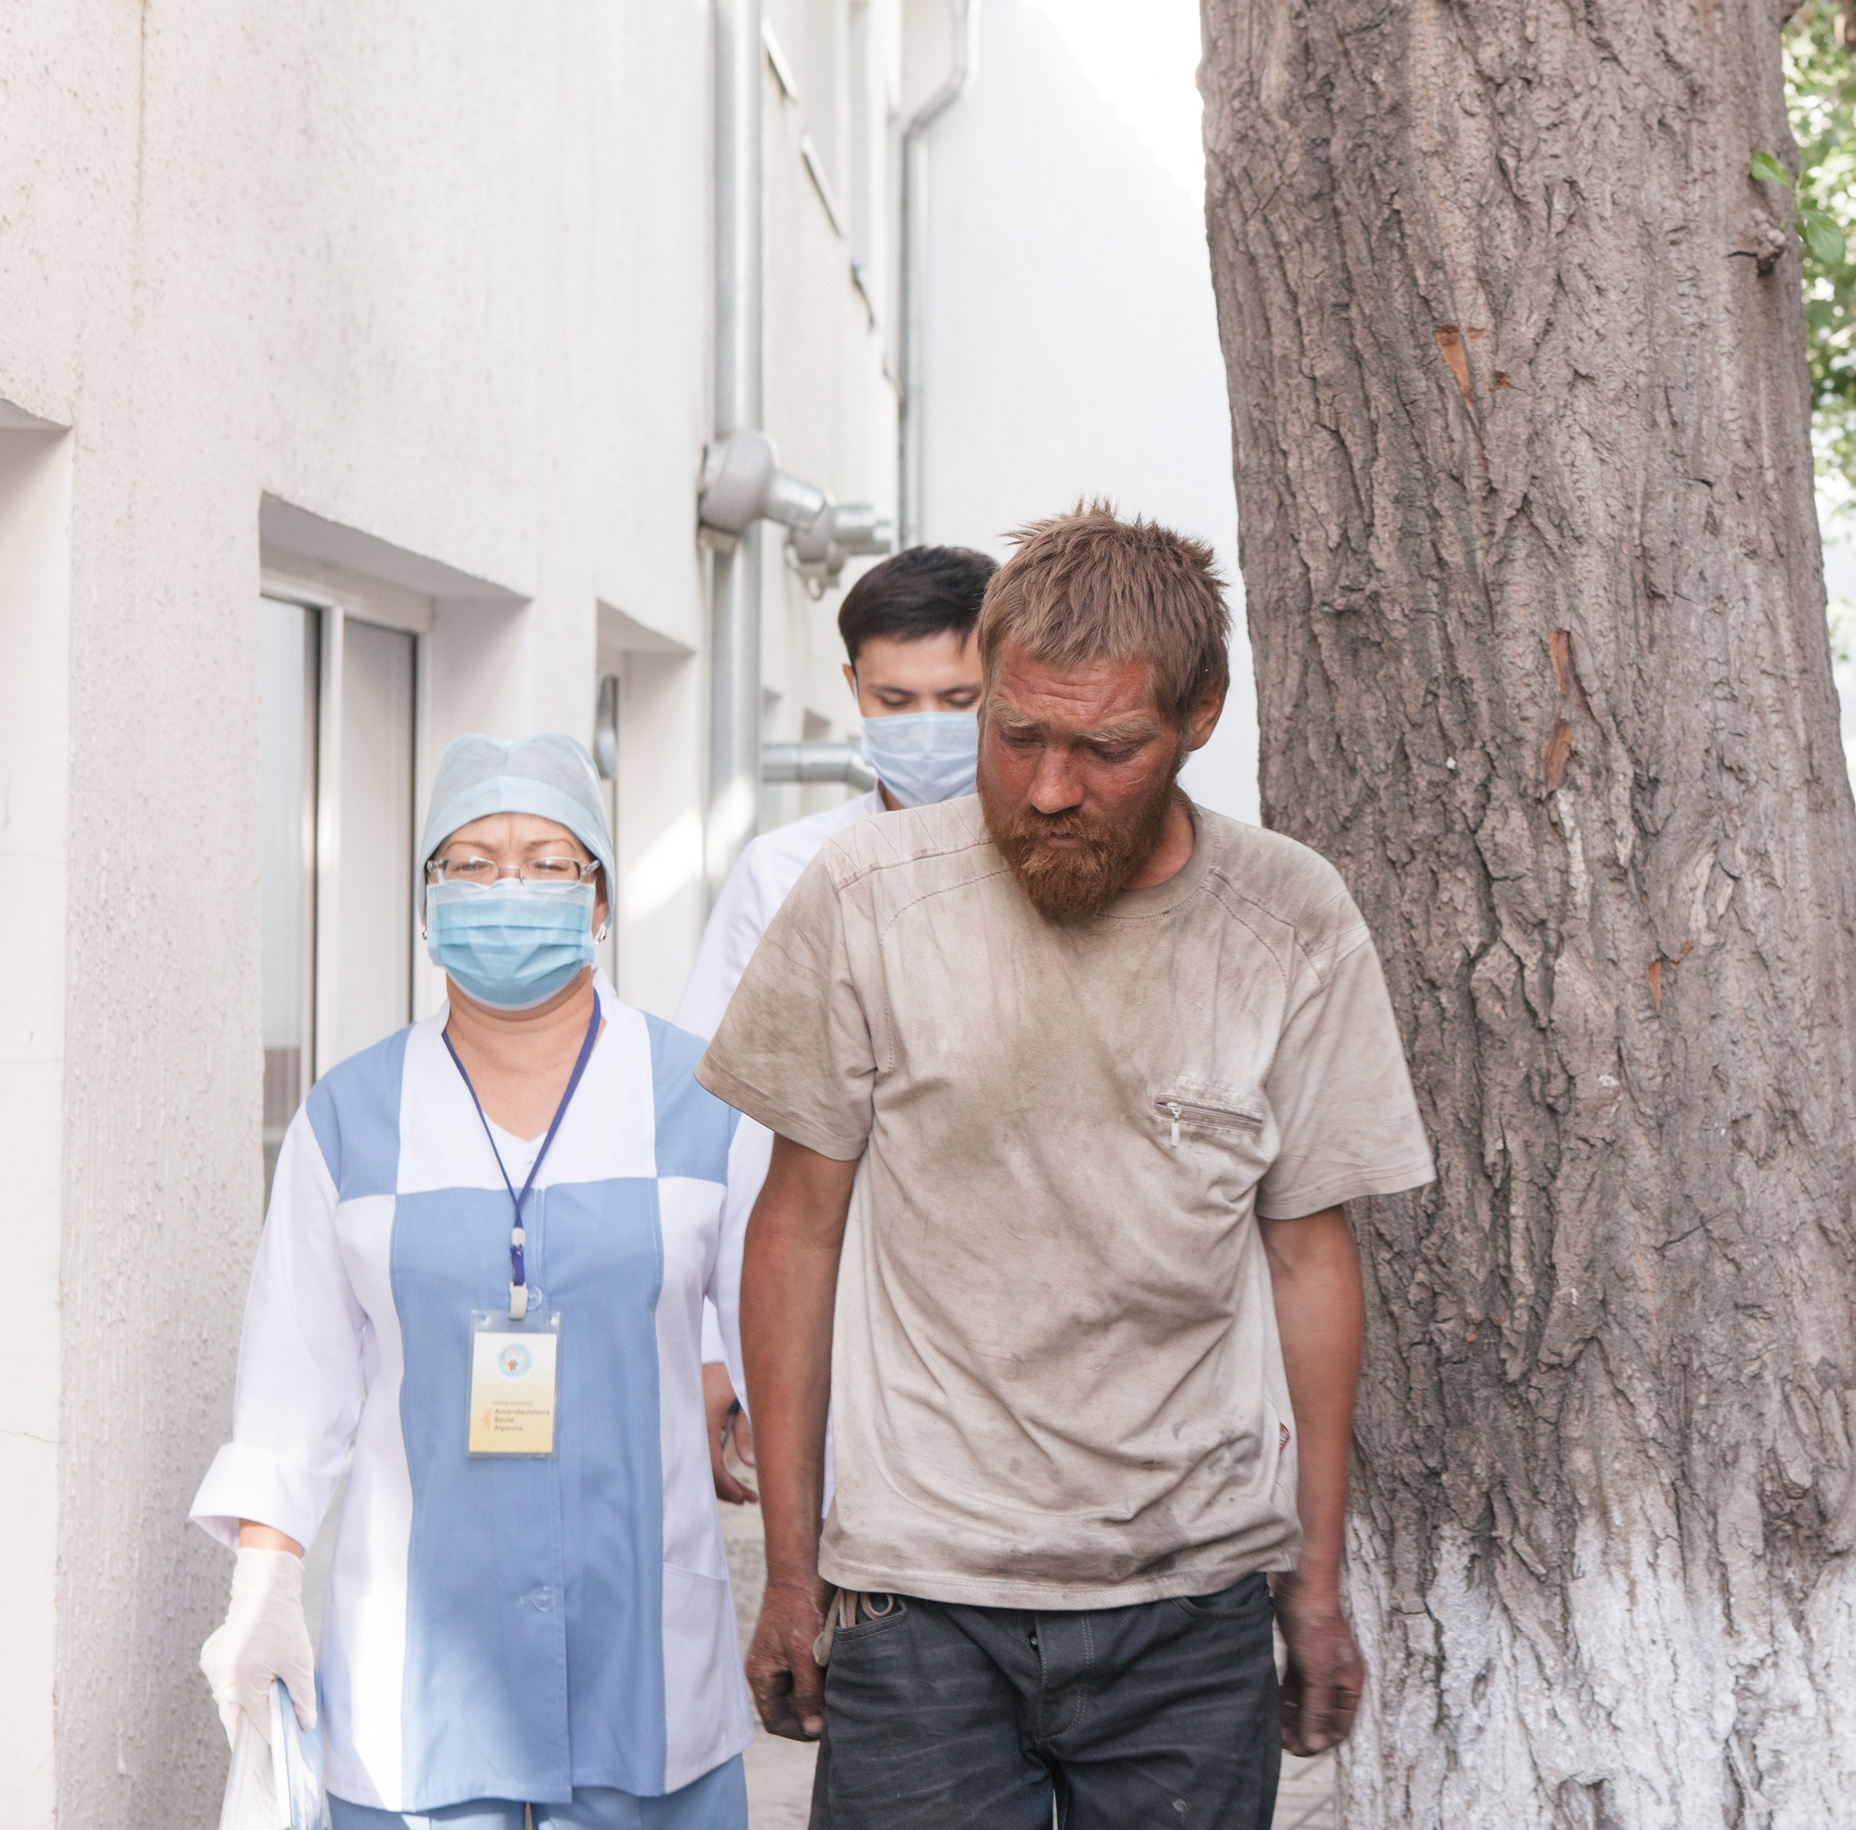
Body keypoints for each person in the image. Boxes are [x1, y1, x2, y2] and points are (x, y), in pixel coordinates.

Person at [696, 503, 1437, 1828]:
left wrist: (1315, 1582)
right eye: (1015, 733)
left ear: (1199, 716)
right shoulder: (866, 898)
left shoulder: (1288, 920)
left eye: (1105, 748)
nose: (1048, 788)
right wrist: (792, 1572)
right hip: (919, 1596)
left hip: (1191, 1602)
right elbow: (794, 1231)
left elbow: (1308, 1255)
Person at [192, 733, 759, 1830]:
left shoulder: (706, 1102)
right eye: (472, 863)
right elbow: (293, 1386)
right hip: (415, 1698)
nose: (508, 890)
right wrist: (262, 1588)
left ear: (600, 898)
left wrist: (812, 1564)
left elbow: (781, 1363)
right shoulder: (348, 1117)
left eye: (548, 864)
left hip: (647, 1674)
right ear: (428, 900)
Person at [676, 544, 995, 1503]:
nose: (928, 726)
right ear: (852, 688)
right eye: (896, 701)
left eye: (959, 699)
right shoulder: (782, 875)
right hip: (822, 1328)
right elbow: (708, 1123)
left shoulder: (1061, 869)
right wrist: (709, 1345)